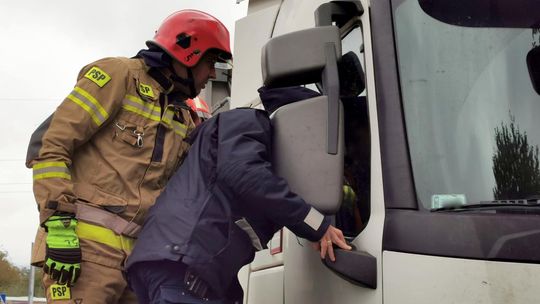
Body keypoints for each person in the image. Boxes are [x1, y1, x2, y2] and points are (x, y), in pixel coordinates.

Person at [25, 9, 232, 304]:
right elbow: (50, 146)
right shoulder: (118, 75)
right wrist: (58, 224)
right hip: (83, 252)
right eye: (210, 63)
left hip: (138, 263)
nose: (212, 74)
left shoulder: (183, 116)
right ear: (189, 52)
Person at [125, 86, 352, 304]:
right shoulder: (248, 121)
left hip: (178, 269)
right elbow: (244, 173)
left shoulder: (246, 146)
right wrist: (316, 225)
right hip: (182, 271)